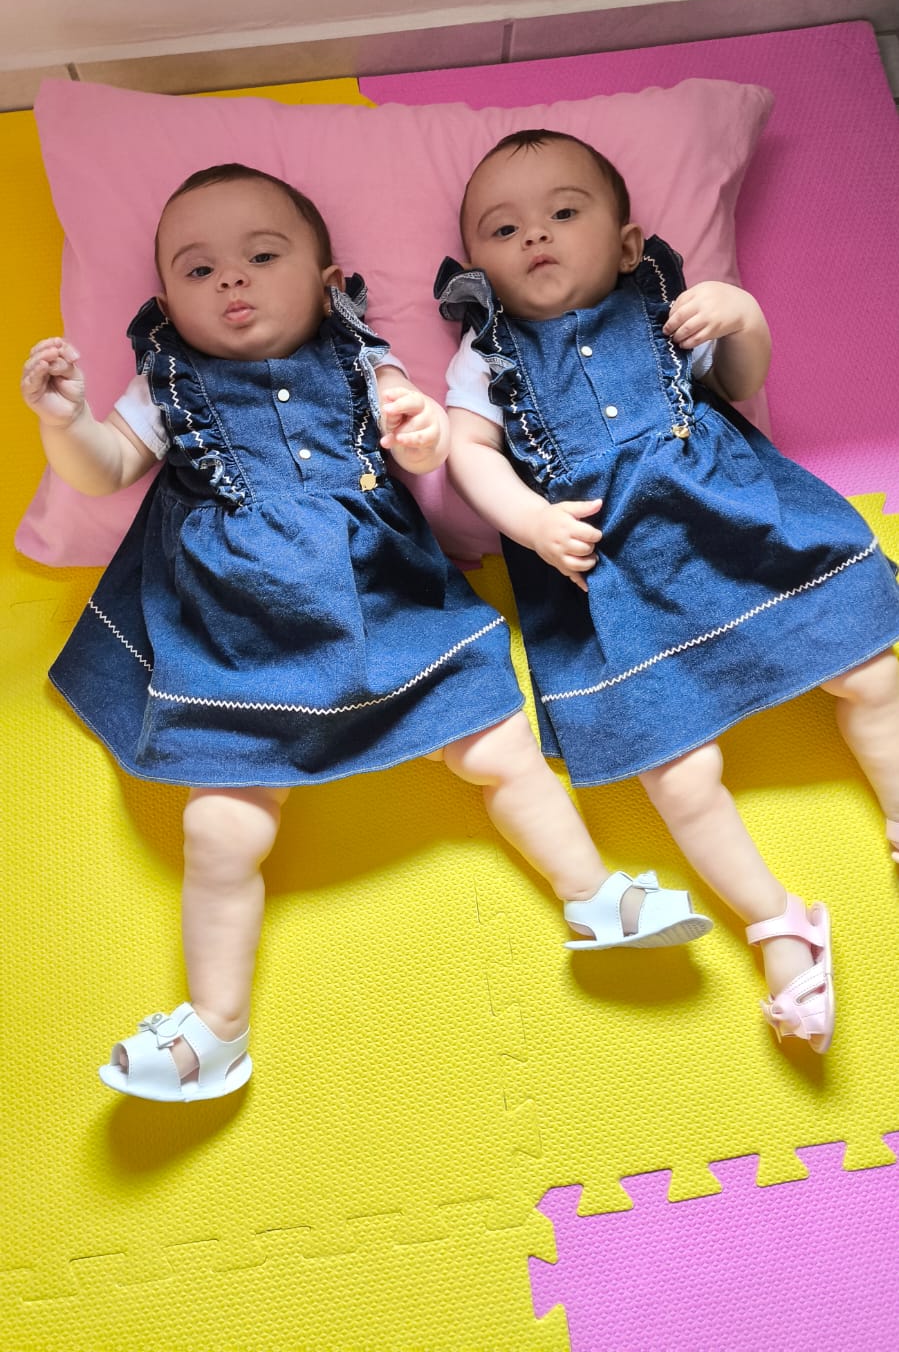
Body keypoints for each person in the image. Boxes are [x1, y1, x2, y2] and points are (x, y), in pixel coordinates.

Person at [21, 163, 711, 1104]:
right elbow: (105, 468)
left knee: (501, 747)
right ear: (165, 305)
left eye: (263, 257)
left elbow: (421, 447)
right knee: (220, 826)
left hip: (384, 600)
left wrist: (418, 435)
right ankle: (216, 1029)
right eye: (198, 270)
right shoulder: (168, 382)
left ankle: (594, 895)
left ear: (328, 282)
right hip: (238, 637)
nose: (232, 280)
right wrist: (64, 423)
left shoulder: (360, 356)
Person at [437, 128, 899, 1055]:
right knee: (675, 771)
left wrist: (742, 317)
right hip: (611, 574)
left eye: (563, 212)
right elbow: (466, 453)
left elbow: (741, 383)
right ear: (478, 268)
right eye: (503, 228)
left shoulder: (664, 310)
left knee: (874, 673)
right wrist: (527, 521)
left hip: (736, 527)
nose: (535, 235)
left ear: (624, 245)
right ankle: (776, 924)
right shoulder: (485, 357)